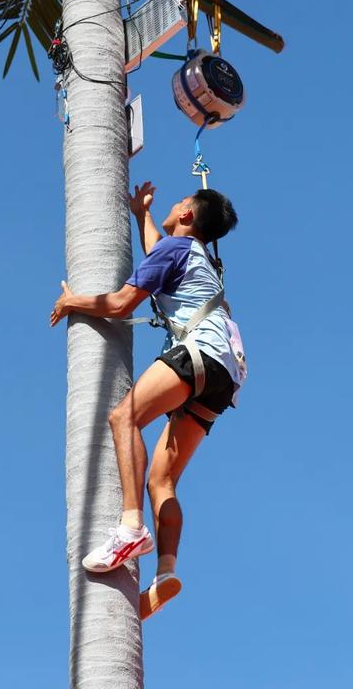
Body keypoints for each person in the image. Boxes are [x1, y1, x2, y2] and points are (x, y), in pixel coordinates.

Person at [50, 181, 245, 619]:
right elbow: (158, 247)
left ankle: (131, 526)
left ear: (188, 216)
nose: (174, 204)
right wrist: (142, 215)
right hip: (225, 374)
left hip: (200, 354)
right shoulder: (193, 255)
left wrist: (72, 301)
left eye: (179, 203)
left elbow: (121, 303)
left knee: (124, 418)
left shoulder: (176, 253)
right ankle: (166, 571)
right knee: (163, 480)